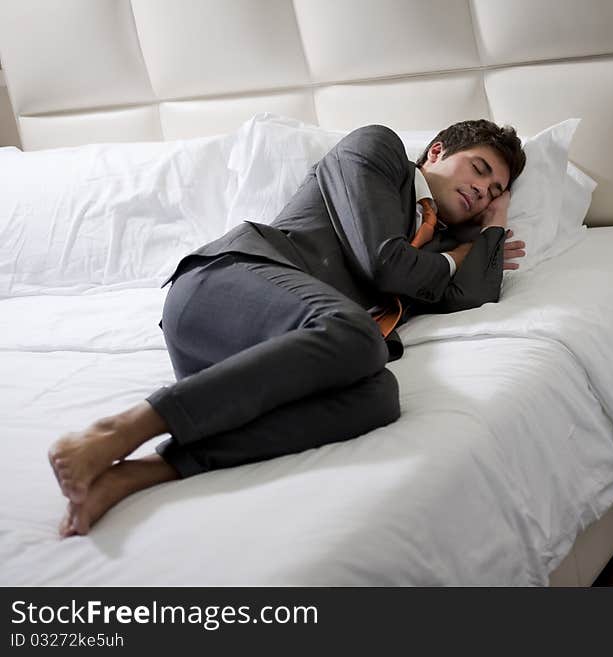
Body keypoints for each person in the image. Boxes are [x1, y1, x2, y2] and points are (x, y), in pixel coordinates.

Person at [48, 119, 528, 537]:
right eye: (479, 170)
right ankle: (123, 428)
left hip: (275, 359)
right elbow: (384, 264)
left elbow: (473, 295)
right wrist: (453, 258)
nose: (480, 192)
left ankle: (141, 473)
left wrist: (491, 228)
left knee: (378, 396)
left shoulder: (436, 246)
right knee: (359, 335)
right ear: (438, 151)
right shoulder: (378, 151)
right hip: (224, 288)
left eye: (491, 193)